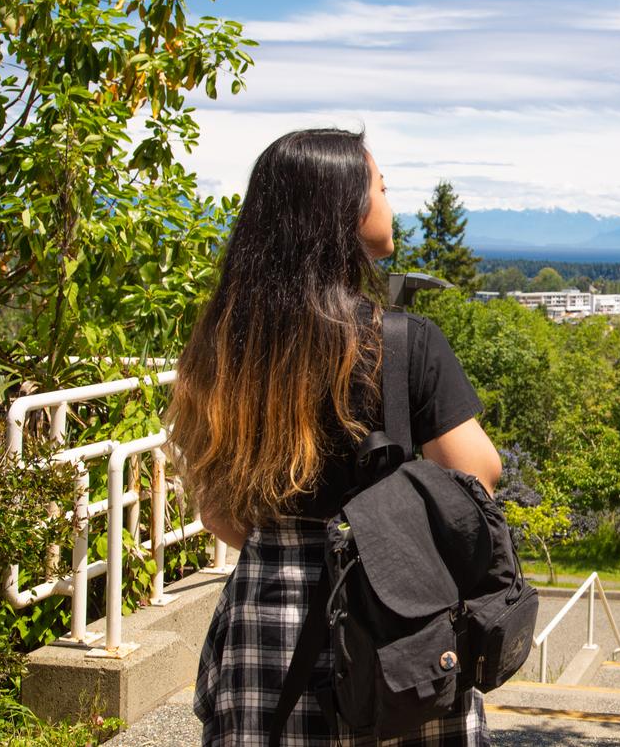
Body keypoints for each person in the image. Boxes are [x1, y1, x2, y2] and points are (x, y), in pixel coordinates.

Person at [166, 128, 502, 746]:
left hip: (266, 619)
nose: (390, 200)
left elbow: (215, 510)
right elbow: (477, 476)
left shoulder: (223, 348)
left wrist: (292, 546)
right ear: (347, 209)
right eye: (381, 186)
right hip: (397, 625)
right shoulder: (405, 342)